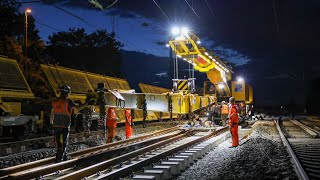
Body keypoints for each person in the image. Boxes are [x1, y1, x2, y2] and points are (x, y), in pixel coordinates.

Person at [51, 85, 87, 163]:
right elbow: (77, 108)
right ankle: (59, 159)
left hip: (56, 124)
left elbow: (52, 112)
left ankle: (64, 156)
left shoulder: (54, 101)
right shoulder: (68, 101)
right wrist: (86, 104)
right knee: (64, 142)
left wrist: (51, 122)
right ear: (68, 93)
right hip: (65, 125)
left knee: (58, 142)